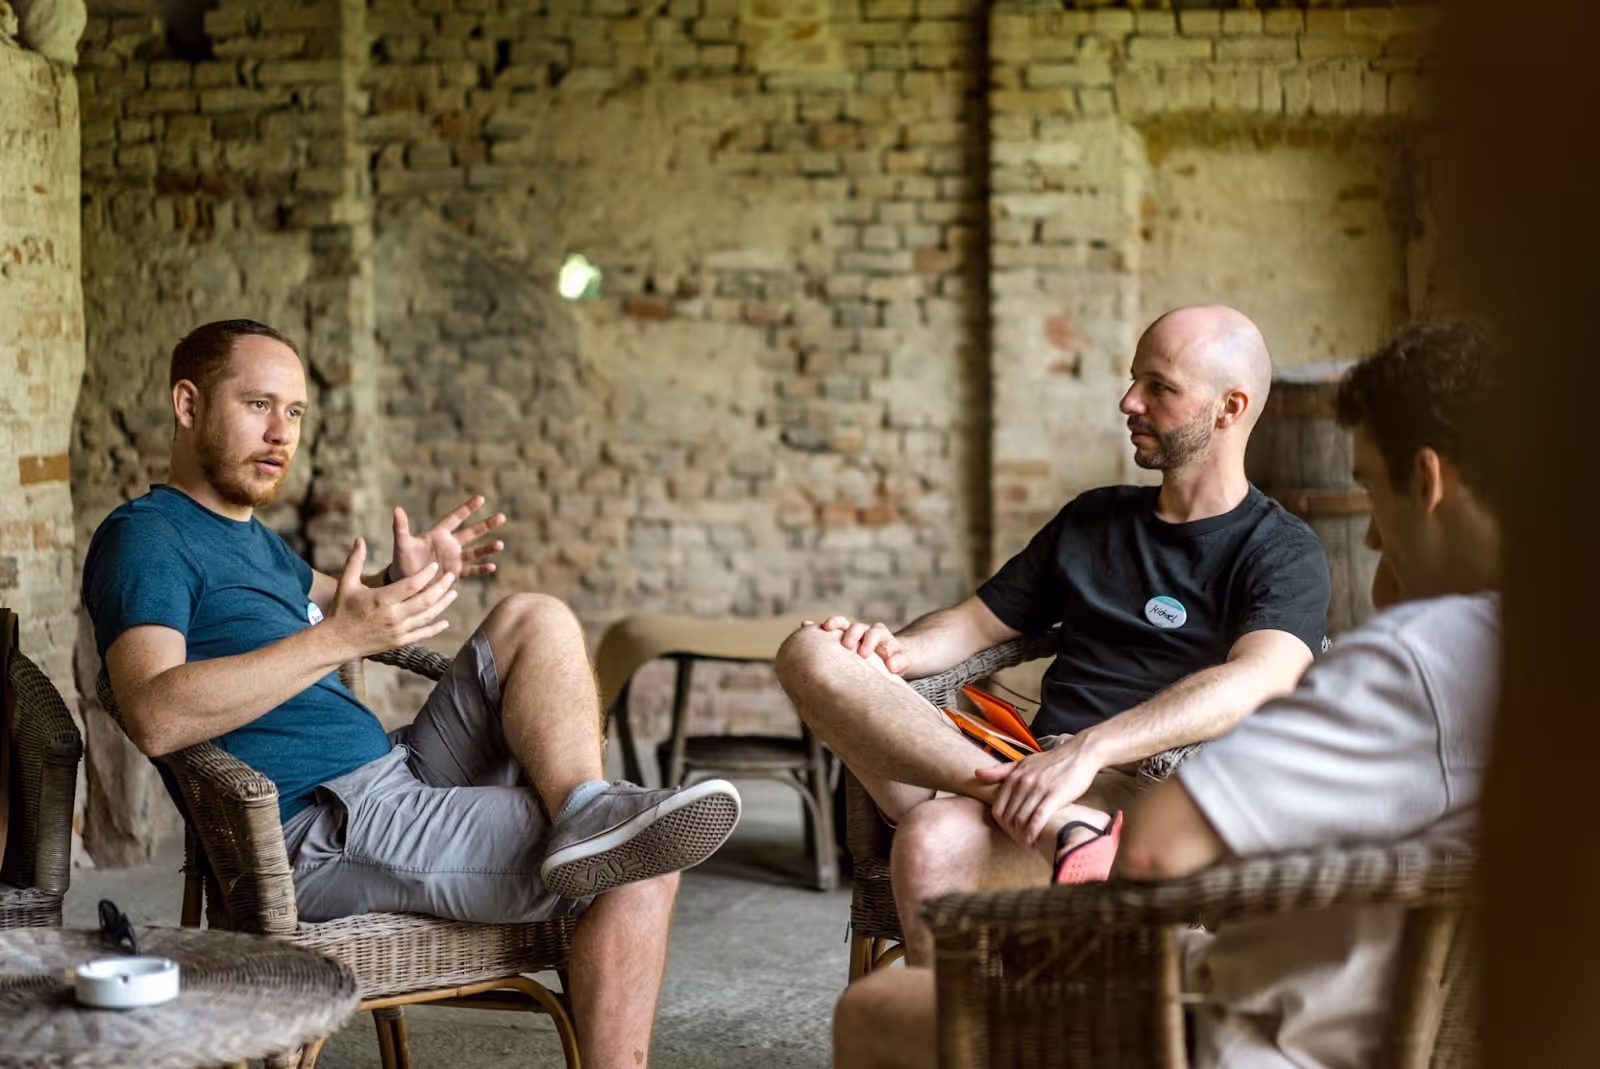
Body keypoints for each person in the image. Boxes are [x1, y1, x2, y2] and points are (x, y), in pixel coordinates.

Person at [834, 319, 1500, 1069]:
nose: (1372, 538)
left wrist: (1089, 755)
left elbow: (1156, 843)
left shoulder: (1405, 661)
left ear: (1427, 481)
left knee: (879, 1009)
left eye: (1371, 488)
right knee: (863, 720)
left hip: (1250, 1032)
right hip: (1384, 1017)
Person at [83, 319, 743, 1069]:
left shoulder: (252, 538)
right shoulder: (147, 538)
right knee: (643, 854)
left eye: (294, 412)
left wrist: (406, 580)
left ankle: (582, 807)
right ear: (188, 404)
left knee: (534, 617)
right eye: (258, 405)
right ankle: (593, 832)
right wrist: (339, 639)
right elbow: (154, 712)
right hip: (319, 825)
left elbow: (351, 604)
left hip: (394, 773)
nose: (281, 433)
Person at [776, 306, 1330, 964]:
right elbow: (973, 623)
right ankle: (1060, 826)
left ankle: (970, 1002)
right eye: (1134, 379)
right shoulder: (1092, 518)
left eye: (1159, 386)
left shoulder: (1280, 549)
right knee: (812, 650)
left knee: (933, 839)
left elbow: (1259, 678)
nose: (1129, 401)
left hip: (1146, 796)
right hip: (1019, 765)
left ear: (1228, 408)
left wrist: (1089, 752)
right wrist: (890, 652)